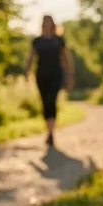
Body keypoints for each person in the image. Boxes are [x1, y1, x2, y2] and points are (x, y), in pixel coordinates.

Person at [24, 15, 74, 146]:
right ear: (42, 25)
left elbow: (66, 58)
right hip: (41, 76)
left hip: (55, 76)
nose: (47, 26)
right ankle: (49, 131)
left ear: (52, 25)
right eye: (45, 23)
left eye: (49, 23)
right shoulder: (37, 41)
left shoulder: (58, 40)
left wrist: (70, 75)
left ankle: (51, 133)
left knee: (51, 101)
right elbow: (31, 57)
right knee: (45, 102)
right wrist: (26, 71)